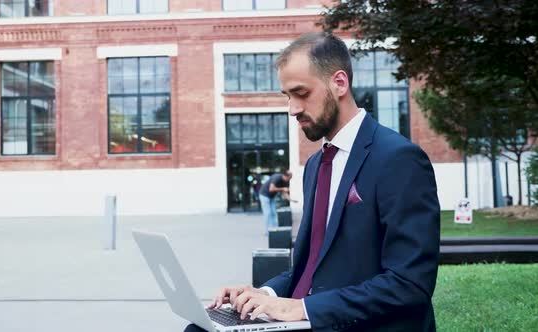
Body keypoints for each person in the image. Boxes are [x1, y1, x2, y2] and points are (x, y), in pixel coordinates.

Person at [186, 32, 440, 332]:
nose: (292, 109)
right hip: (310, 320)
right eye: (287, 96)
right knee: (200, 328)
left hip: (356, 324)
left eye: (301, 93)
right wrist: (263, 294)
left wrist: (302, 309)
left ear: (340, 83)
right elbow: (310, 268)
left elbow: (409, 283)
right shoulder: (316, 165)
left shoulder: (398, 159)